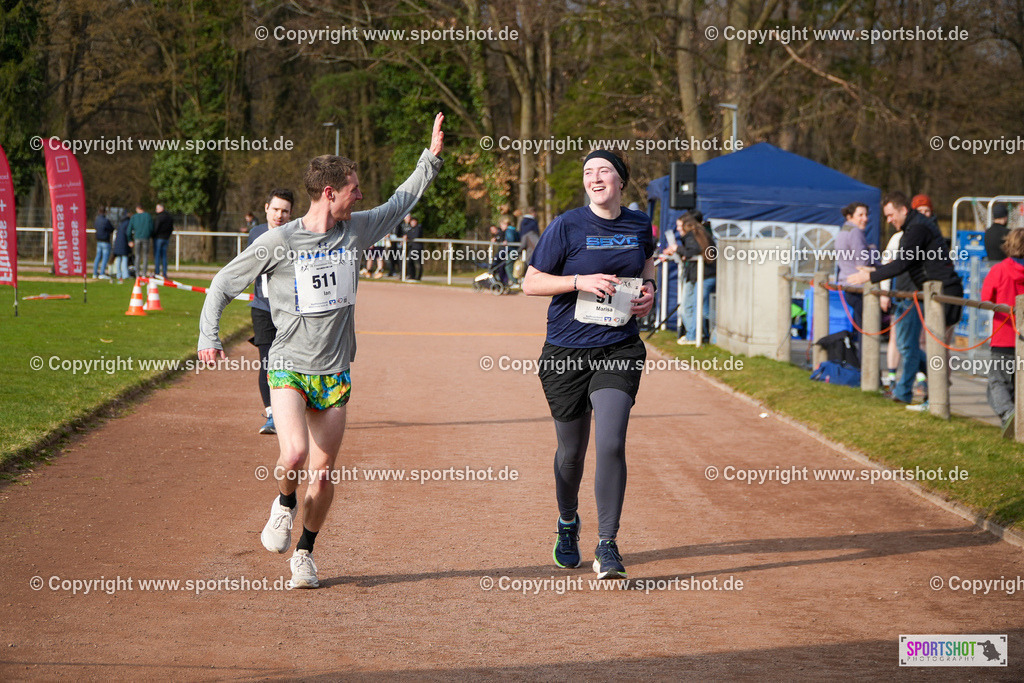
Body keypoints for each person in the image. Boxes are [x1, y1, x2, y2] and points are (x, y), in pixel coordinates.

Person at [198, 112, 445, 589]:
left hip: (334, 370)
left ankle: (305, 554)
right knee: (292, 456)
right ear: (330, 192)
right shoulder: (280, 241)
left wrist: (429, 159)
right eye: (353, 188)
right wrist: (209, 337)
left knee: (324, 471)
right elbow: (222, 283)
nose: (360, 195)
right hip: (289, 363)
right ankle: (284, 504)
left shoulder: (356, 231)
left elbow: (400, 202)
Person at [522, 149, 656, 580]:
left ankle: (608, 544)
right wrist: (580, 281)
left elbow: (646, 264)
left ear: (621, 181)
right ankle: (567, 522)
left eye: (604, 172)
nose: (595, 178)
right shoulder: (567, 225)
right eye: (588, 173)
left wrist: (649, 292)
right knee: (571, 454)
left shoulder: (638, 224)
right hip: (565, 353)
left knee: (612, 442)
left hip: (619, 347)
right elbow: (530, 282)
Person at [848, 191, 964, 412]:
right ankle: (932, 398)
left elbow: (903, 263)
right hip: (932, 293)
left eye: (891, 215)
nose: (889, 220)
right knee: (924, 347)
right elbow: (903, 263)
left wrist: (870, 276)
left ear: (903, 210)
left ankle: (934, 401)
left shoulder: (917, 228)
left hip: (944, 293)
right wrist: (875, 270)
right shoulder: (913, 228)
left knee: (934, 347)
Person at [246, 188, 295, 435]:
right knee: (267, 361)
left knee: (290, 362)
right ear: (266, 208)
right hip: (262, 308)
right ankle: (272, 415)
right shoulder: (255, 234)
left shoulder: (297, 234)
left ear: (291, 214)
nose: (279, 215)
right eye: (275, 209)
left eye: (285, 211)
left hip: (290, 312)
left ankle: (295, 410)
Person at [981, 228, 1024, 437]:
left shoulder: (1000, 269)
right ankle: (1014, 419)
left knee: (997, 382)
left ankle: (1009, 413)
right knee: (1017, 384)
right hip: (1022, 338)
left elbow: (986, 296)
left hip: (1003, 335)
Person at [665, 213, 716, 344]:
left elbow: (693, 251)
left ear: (687, 225)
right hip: (702, 275)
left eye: (679, 226)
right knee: (698, 307)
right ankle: (699, 335)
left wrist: (677, 249)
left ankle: (694, 336)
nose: (677, 229)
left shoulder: (691, 235)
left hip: (702, 275)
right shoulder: (700, 233)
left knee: (693, 307)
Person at [834, 202, 871, 335]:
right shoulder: (856, 232)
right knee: (867, 330)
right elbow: (863, 262)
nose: (865, 218)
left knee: (861, 329)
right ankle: (865, 356)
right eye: (860, 215)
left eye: (866, 214)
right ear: (849, 217)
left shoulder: (843, 231)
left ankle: (862, 355)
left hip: (847, 284)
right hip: (858, 286)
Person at [127, 204, 154, 278]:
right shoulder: (148, 216)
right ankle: (144, 274)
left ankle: (137, 274)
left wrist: (130, 240)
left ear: (137, 209)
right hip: (146, 238)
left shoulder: (134, 217)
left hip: (137, 238)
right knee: (145, 256)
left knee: (137, 256)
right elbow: (151, 228)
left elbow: (129, 229)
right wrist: (149, 235)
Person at [153, 203, 174, 279]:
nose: (156, 210)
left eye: (157, 208)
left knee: (157, 256)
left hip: (159, 238)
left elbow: (156, 228)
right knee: (164, 256)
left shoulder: (159, 217)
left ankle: (157, 272)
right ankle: (164, 273)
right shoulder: (169, 217)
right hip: (166, 238)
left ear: (161, 208)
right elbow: (171, 228)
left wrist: (153, 235)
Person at [93, 208, 113, 279]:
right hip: (105, 241)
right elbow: (111, 228)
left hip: (98, 241)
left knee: (97, 257)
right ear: (105, 213)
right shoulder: (106, 221)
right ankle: (102, 273)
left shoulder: (96, 220)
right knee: (105, 258)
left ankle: (95, 273)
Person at [113, 211, 131, 283]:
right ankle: (125, 275)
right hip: (123, 243)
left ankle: (118, 274)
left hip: (118, 243)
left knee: (119, 260)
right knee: (124, 259)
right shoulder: (128, 222)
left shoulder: (120, 222)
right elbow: (128, 233)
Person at [501, 216, 519, 285]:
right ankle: (513, 281)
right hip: (515, 250)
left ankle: (514, 282)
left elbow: (511, 240)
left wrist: (506, 242)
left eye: (502, 225)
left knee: (508, 266)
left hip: (512, 251)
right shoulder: (514, 230)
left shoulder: (509, 231)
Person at [404, 215, 423, 280]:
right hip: (412, 248)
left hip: (417, 248)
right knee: (409, 262)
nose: (412, 223)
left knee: (418, 263)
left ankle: (418, 277)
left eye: (414, 221)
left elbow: (415, 236)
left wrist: (408, 237)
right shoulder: (410, 229)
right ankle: (412, 275)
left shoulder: (418, 228)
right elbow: (407, 235)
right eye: (412, 222)